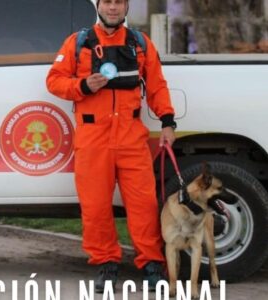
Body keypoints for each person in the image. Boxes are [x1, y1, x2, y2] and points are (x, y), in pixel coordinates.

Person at [46, 0, 176, 293]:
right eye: (108, 2)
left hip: (131, 136)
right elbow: (54, 81)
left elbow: (156, 85)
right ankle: (106, 262)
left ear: (126, 7)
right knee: (95, 207)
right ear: (99, 6)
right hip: (93, 138)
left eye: (119, 2)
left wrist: (168, 122)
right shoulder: (78, 42)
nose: (113, 8)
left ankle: (151, 263)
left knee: (144, 204)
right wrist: (82, 86)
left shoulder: (140, 43)